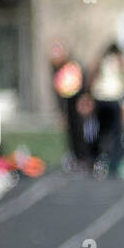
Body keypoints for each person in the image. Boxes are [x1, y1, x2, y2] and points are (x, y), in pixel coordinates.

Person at [91, 43, 124, 178]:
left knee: (105, 131)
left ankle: (104, 160)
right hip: (110, 99)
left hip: (104, 98)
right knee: (113, 132)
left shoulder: (103, 60)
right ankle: (110, 161)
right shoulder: (115, 61)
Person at [49, 40, 88, 169]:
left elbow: (78, 85)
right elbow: (59, 92)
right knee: (71, 133)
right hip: (68, 106)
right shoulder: (56, 71)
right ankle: (75, 157)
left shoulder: (72, 67)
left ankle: (84, 157)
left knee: (80, 131)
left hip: (76, 104)